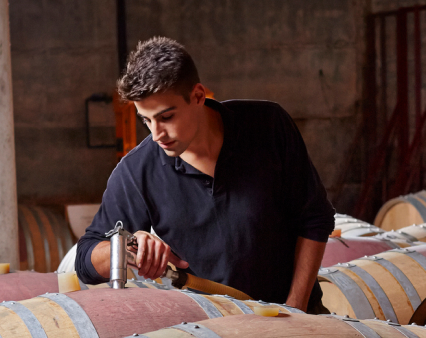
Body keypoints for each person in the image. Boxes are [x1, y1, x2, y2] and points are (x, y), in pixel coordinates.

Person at [74, 36, 334, 312]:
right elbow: (85, 260)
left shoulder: (268, 126)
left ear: (198, 96)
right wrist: (129, 246)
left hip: (301, 319)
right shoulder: (137, 171)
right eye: (146, 120)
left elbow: (315, 218)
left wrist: (295, 310)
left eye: (166, 117)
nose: (156, 134)